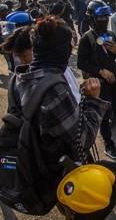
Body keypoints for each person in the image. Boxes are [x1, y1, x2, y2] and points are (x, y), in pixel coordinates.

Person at [8, 16, 107, 210]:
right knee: (85, 207)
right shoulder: (54, 88)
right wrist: (94, 100)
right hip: (63, 172)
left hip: (39, 167)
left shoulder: (19, 78)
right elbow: (82, 141)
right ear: (63, 52)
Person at [77, 0, 116, 159]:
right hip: (99, 83)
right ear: (92, 18)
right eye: (100, 18)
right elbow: (81, 63)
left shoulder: (111, 34)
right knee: (104, 114)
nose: (104, 21)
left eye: (106, 17)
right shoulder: (87, 38)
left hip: (114, 78)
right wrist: (100, 71)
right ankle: (108, 144)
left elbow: (115, 56)